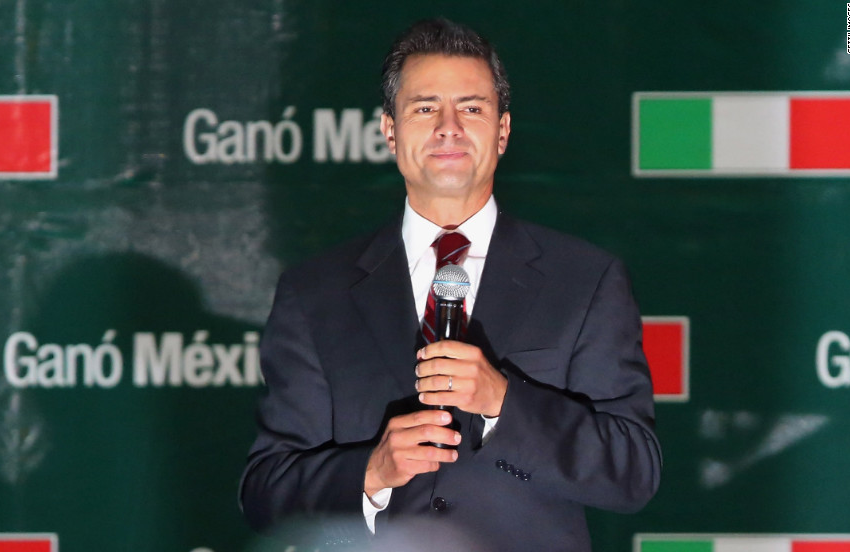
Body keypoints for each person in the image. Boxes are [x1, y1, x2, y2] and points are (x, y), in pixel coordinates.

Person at [239, 18, 662, 551]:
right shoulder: (313, 292)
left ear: (503, 132)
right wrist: (369, 474)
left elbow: (633, 471)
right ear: (390, 132)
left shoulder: (585, 280)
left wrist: (504, 403)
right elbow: (264, 493)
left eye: (472, 108)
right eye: (424, 108)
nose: (448, 127)